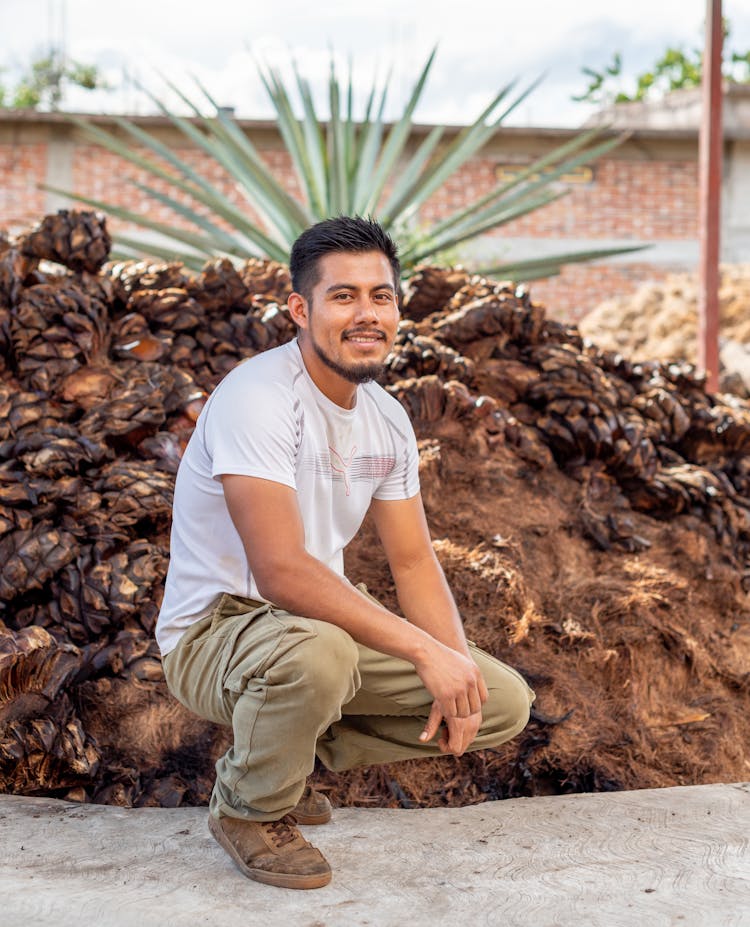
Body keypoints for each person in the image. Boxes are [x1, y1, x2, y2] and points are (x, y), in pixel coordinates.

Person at [155, 216, 535, 891]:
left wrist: (452, 662)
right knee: (318, 653)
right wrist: (421, 652)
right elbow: (280, 569)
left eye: (381, 296)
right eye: (343, 296)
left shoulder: (387, 418)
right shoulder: (259, 396)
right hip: (215, 634)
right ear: (301, 308)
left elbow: (413, 562)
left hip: (309, 634)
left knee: (499, 700)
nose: (367, 314)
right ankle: (248, 807)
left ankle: (279, 756)